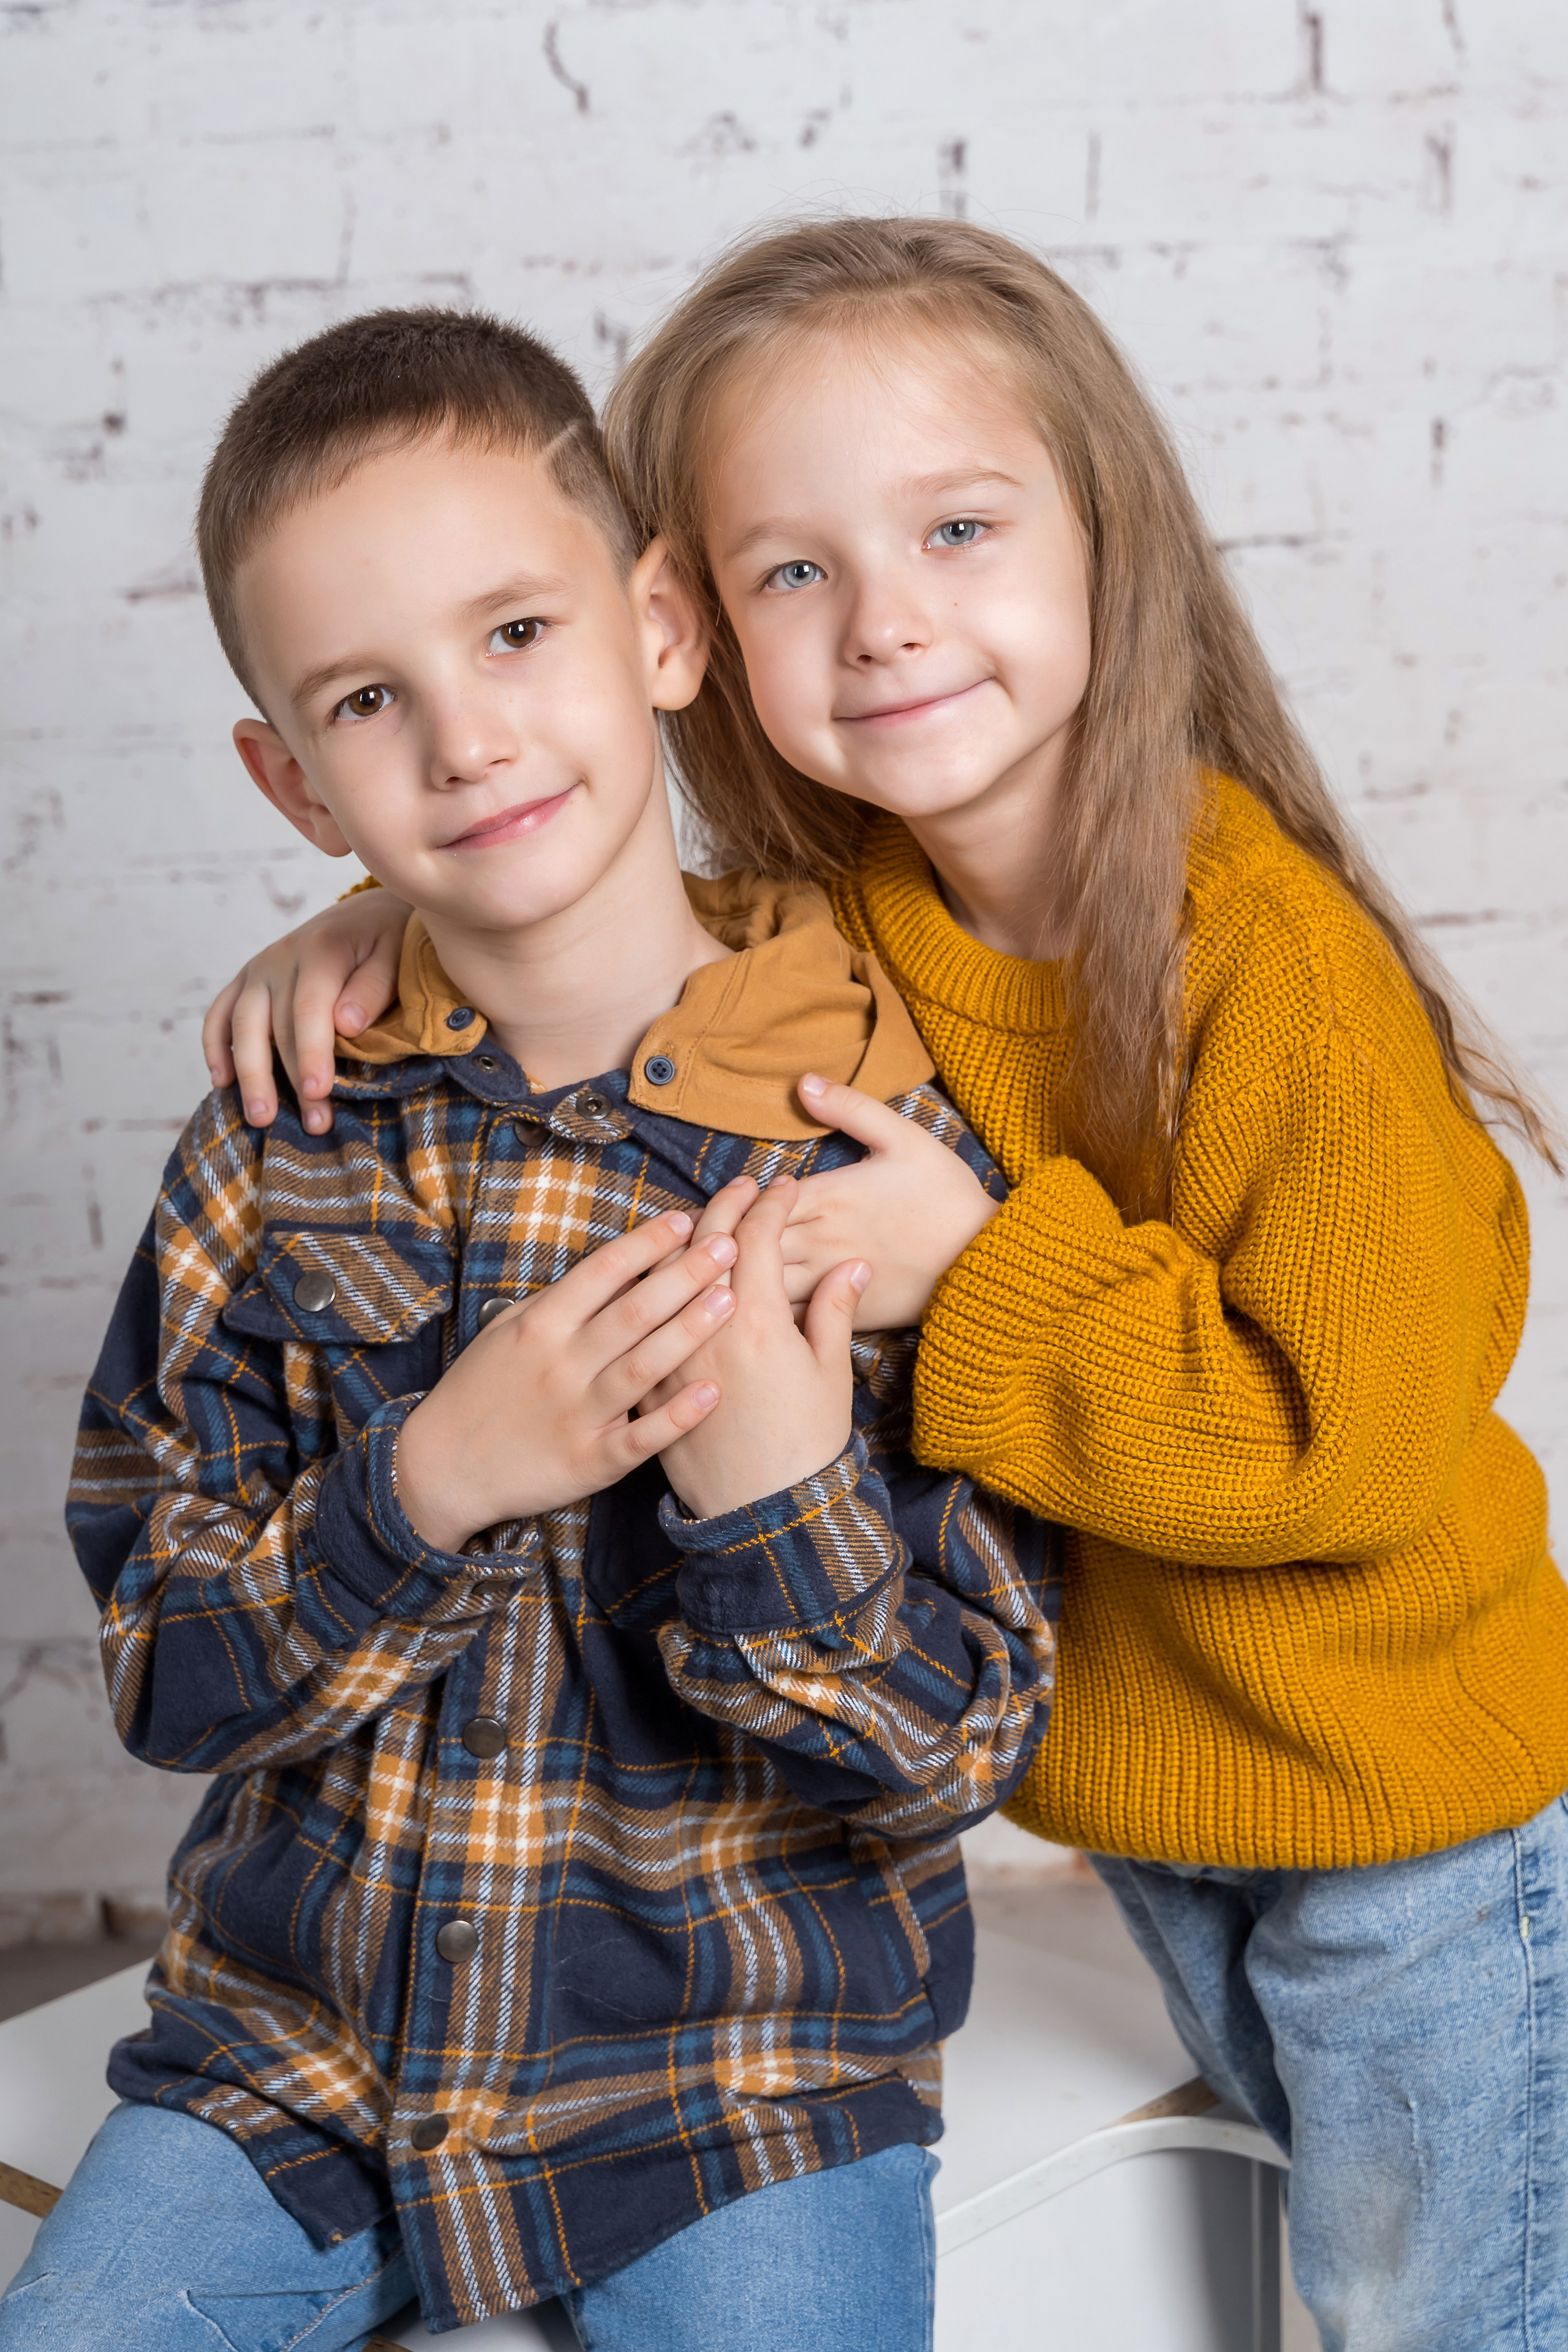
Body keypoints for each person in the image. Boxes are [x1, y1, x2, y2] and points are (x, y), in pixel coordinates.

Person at [210, 220, 1568, 2352]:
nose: (888, 623)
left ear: (1107, 535)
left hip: (1398, 1807)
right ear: (688, 622)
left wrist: (989, 1259)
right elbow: (575, 901)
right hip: (1158, 1789)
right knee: (1293, 2252)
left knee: (1441, 2307)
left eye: (954, 526)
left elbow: (1351, 1448)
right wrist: (369, 928)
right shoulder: (848, 921)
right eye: (794, 571)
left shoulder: (1265, 963)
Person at [6, 306, 1061, 2352]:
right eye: (367, 698)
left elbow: (962, 1747)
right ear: (292, 784)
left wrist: (772, 1501)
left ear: (659, 626)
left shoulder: (873, 1147)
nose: (468, 741)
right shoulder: (271, 1146)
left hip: (740, 2078)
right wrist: (431, 1482)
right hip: (299, 2062)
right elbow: (162, 1665)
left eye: (514, 636)